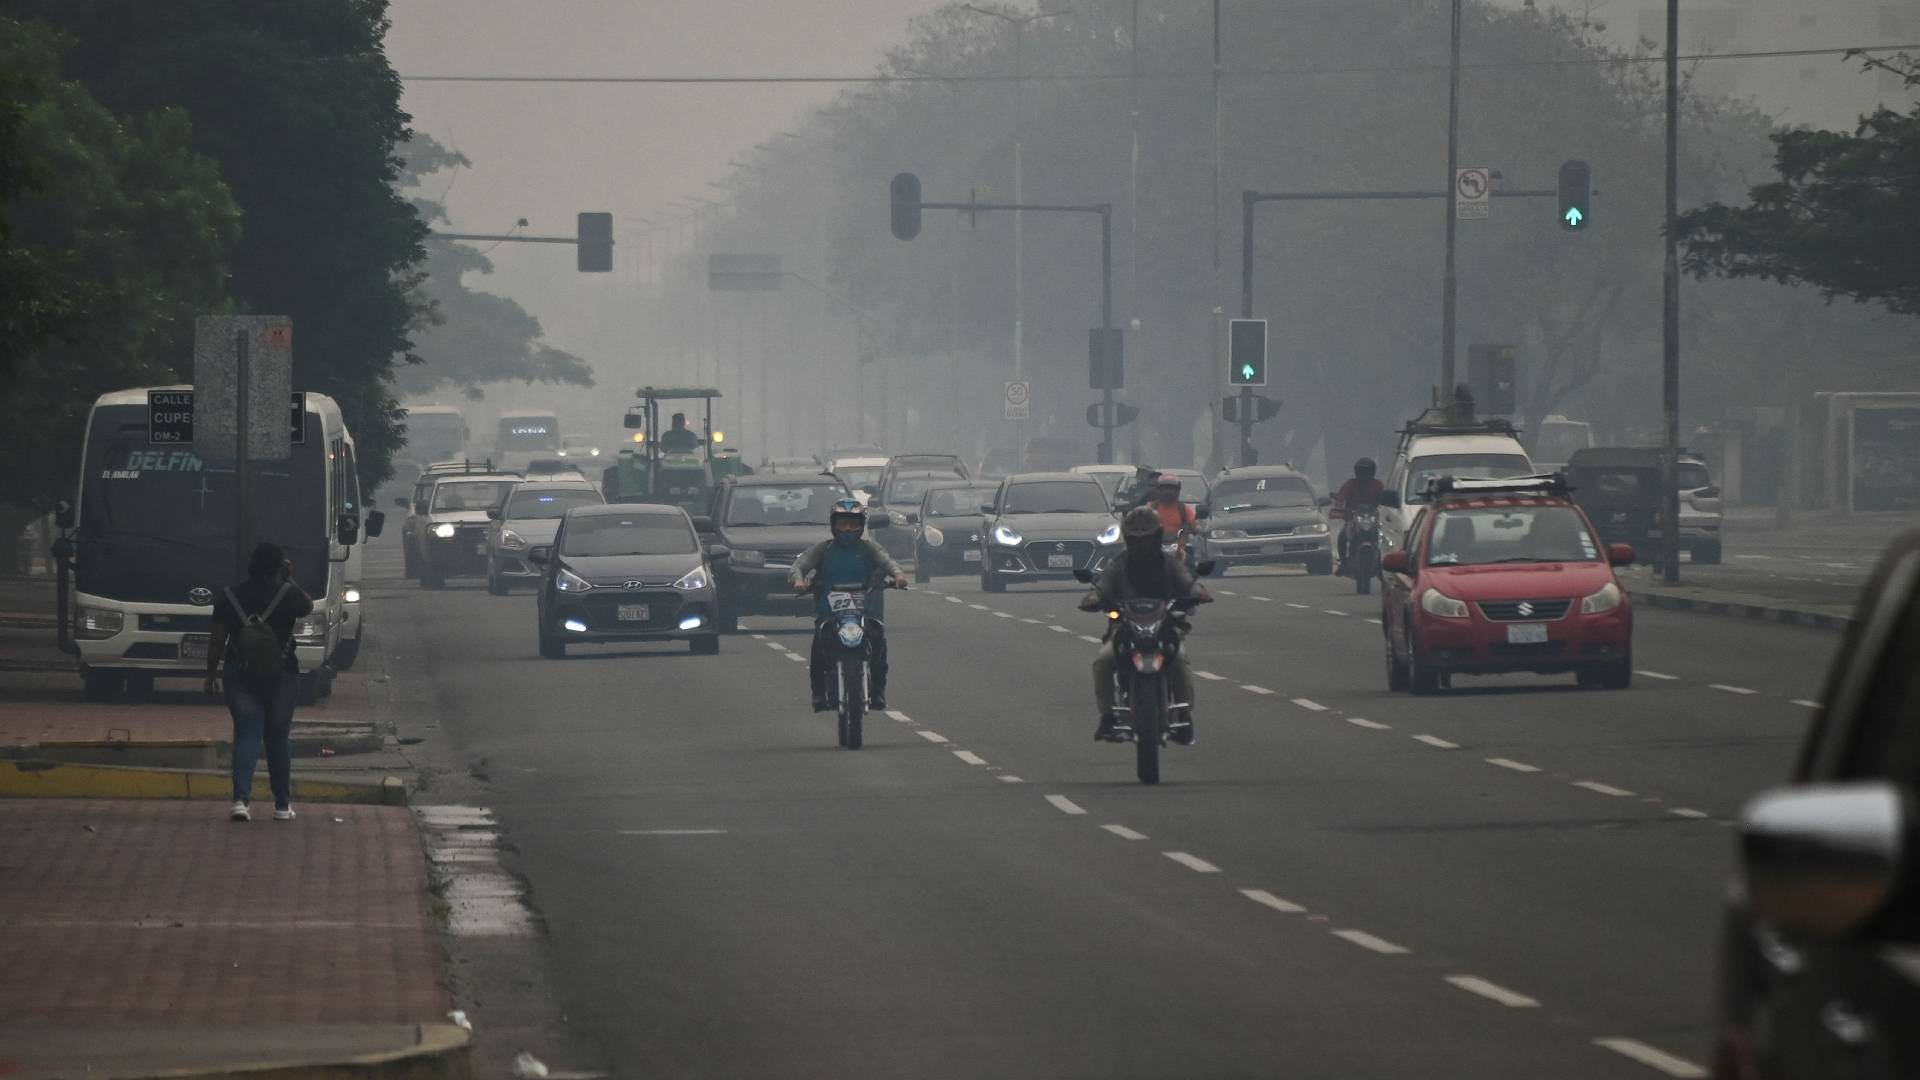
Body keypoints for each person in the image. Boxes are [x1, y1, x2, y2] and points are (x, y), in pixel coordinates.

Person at [1080, 506, 1210, 745]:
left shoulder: (1168, 563)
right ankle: (1108, 717)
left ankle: (1184, 716)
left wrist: (1197, 592)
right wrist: (1094, 597)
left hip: (1164, 626)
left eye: (1147, 539)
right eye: (1136, 540)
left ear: (1157, 537)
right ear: (1128, 539)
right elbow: (1103, 584)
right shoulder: (1119, 563)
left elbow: (1186, 581)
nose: (1142, 544)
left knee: (1180, 661)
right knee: (1102, 662)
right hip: (1125, 628)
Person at [205, 542, 314, 823]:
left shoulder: (229, 596)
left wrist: (210, 674)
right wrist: (289, 578)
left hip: (239, 672)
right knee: (277, 737)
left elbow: (217, 639)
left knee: (247, 733)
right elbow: (307, 605)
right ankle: (281, 805)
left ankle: (241, 801)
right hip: (283, 674)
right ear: (280, 567)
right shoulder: (288, 594)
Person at [790, 499, 907, 711]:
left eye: (853, 525)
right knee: (819, 644)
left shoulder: (869, 548)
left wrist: (898, 576)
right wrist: (798, 581)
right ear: (833, 525)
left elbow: (887, 562)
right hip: (829, 613)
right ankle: (818, 692)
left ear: (861, 526)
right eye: (843, 524)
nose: (848, 529)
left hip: (865, 609)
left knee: (878, 638)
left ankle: (878, 690)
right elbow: (800, 565)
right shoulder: (823, 550)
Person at [1332, 457, 1387, 575]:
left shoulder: (1378, 485)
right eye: (1362, 472)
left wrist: (1386, 509)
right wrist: (1339, 508)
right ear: (1357, 472)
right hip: (1353, 519)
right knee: (1342, 537)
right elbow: (1340, 498)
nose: (1364, 475)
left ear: (1372, 472)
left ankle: (1383, 563)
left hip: (1373, 519)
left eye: (1367, 472)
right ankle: (1344, 564)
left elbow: (1384, 500)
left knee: (1384, 538)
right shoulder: (1350, 484)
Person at [1151, 475, 1198, 557]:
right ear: (1158, 491)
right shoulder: (1151, 508)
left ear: (1177, 491)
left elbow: (1195, 526)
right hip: (1154, 549)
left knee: (1191, 564)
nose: (1168, 492)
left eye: (1172, 489)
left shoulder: (1184, 509)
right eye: (1165, 489)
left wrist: (1198, 530)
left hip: (1180, 549)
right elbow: (1139, 522)